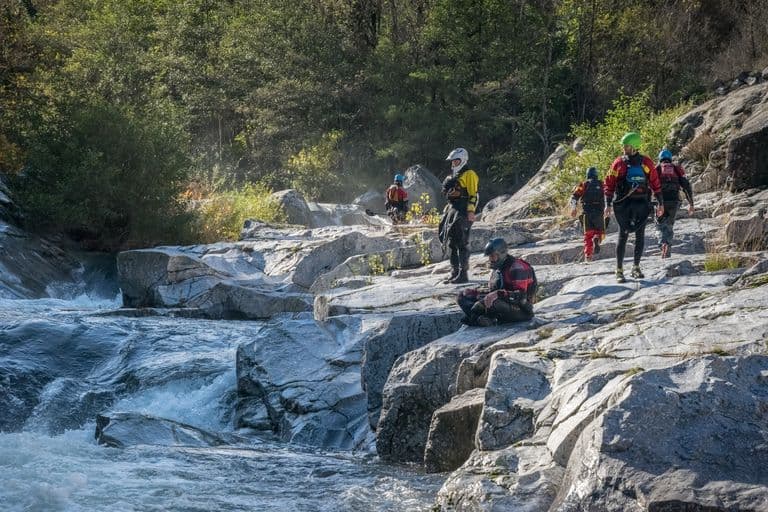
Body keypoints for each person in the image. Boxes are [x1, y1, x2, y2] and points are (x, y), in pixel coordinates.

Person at [603, 132, 664, 283]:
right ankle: (619, 270)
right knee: (622, 235)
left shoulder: (647, 163)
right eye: (623, 146)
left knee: (640, 236)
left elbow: (655, 183)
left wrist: (660, 203)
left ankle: (636, 267)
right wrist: (607, 204)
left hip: (642, 203)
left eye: (627, 146)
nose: (624, 148)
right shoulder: (618, 163)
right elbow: (609, 184)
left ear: (635, 147)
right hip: (623, 205)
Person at [457, 238, 537, 327]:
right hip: (503, 302)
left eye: (492, 256)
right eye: (489, 256)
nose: (490, 259)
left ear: (501, 254)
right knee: (462, 296)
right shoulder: (498, 269)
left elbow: (521, 296)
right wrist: (476, 293)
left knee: (495, 301)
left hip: (522, 310)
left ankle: (475, 319)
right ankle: (481, 319)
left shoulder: (517, 267)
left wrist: (498, 294)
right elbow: (492, 292)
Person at [438, 147, 479, 284]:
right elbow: (448, 194)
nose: (453, 164)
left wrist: (471, 211)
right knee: (451, 242)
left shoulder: (470, 174)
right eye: (452, 161)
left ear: (462, 160)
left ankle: (463, 274)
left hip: (463, 209)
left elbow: (473, 194)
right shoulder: (453, 177)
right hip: (453, 209)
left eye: (455, 161)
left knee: (461, 242)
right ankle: (454, 271)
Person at [655, 149, 694, 258]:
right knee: (670, 225)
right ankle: (668, 245)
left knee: (659, 224)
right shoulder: (677, 169)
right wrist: (691, 204)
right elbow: (686, 186)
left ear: (660, 158)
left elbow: (650, 185)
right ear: (670, 158)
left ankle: (662, 243)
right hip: (675, 201)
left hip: (660, 201)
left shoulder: (657, 169)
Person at [570, 166, 606, 262]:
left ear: (587, 175)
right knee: (601, 233)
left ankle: (588, 256)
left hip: (587, 213)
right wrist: (608, 207)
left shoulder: (583, 184)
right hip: (599, 213)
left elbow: (574, 197)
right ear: (596, 175)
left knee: (588, 236)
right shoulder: (602, 184)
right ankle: (597, 239)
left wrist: (573, 209)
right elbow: (609, 195)